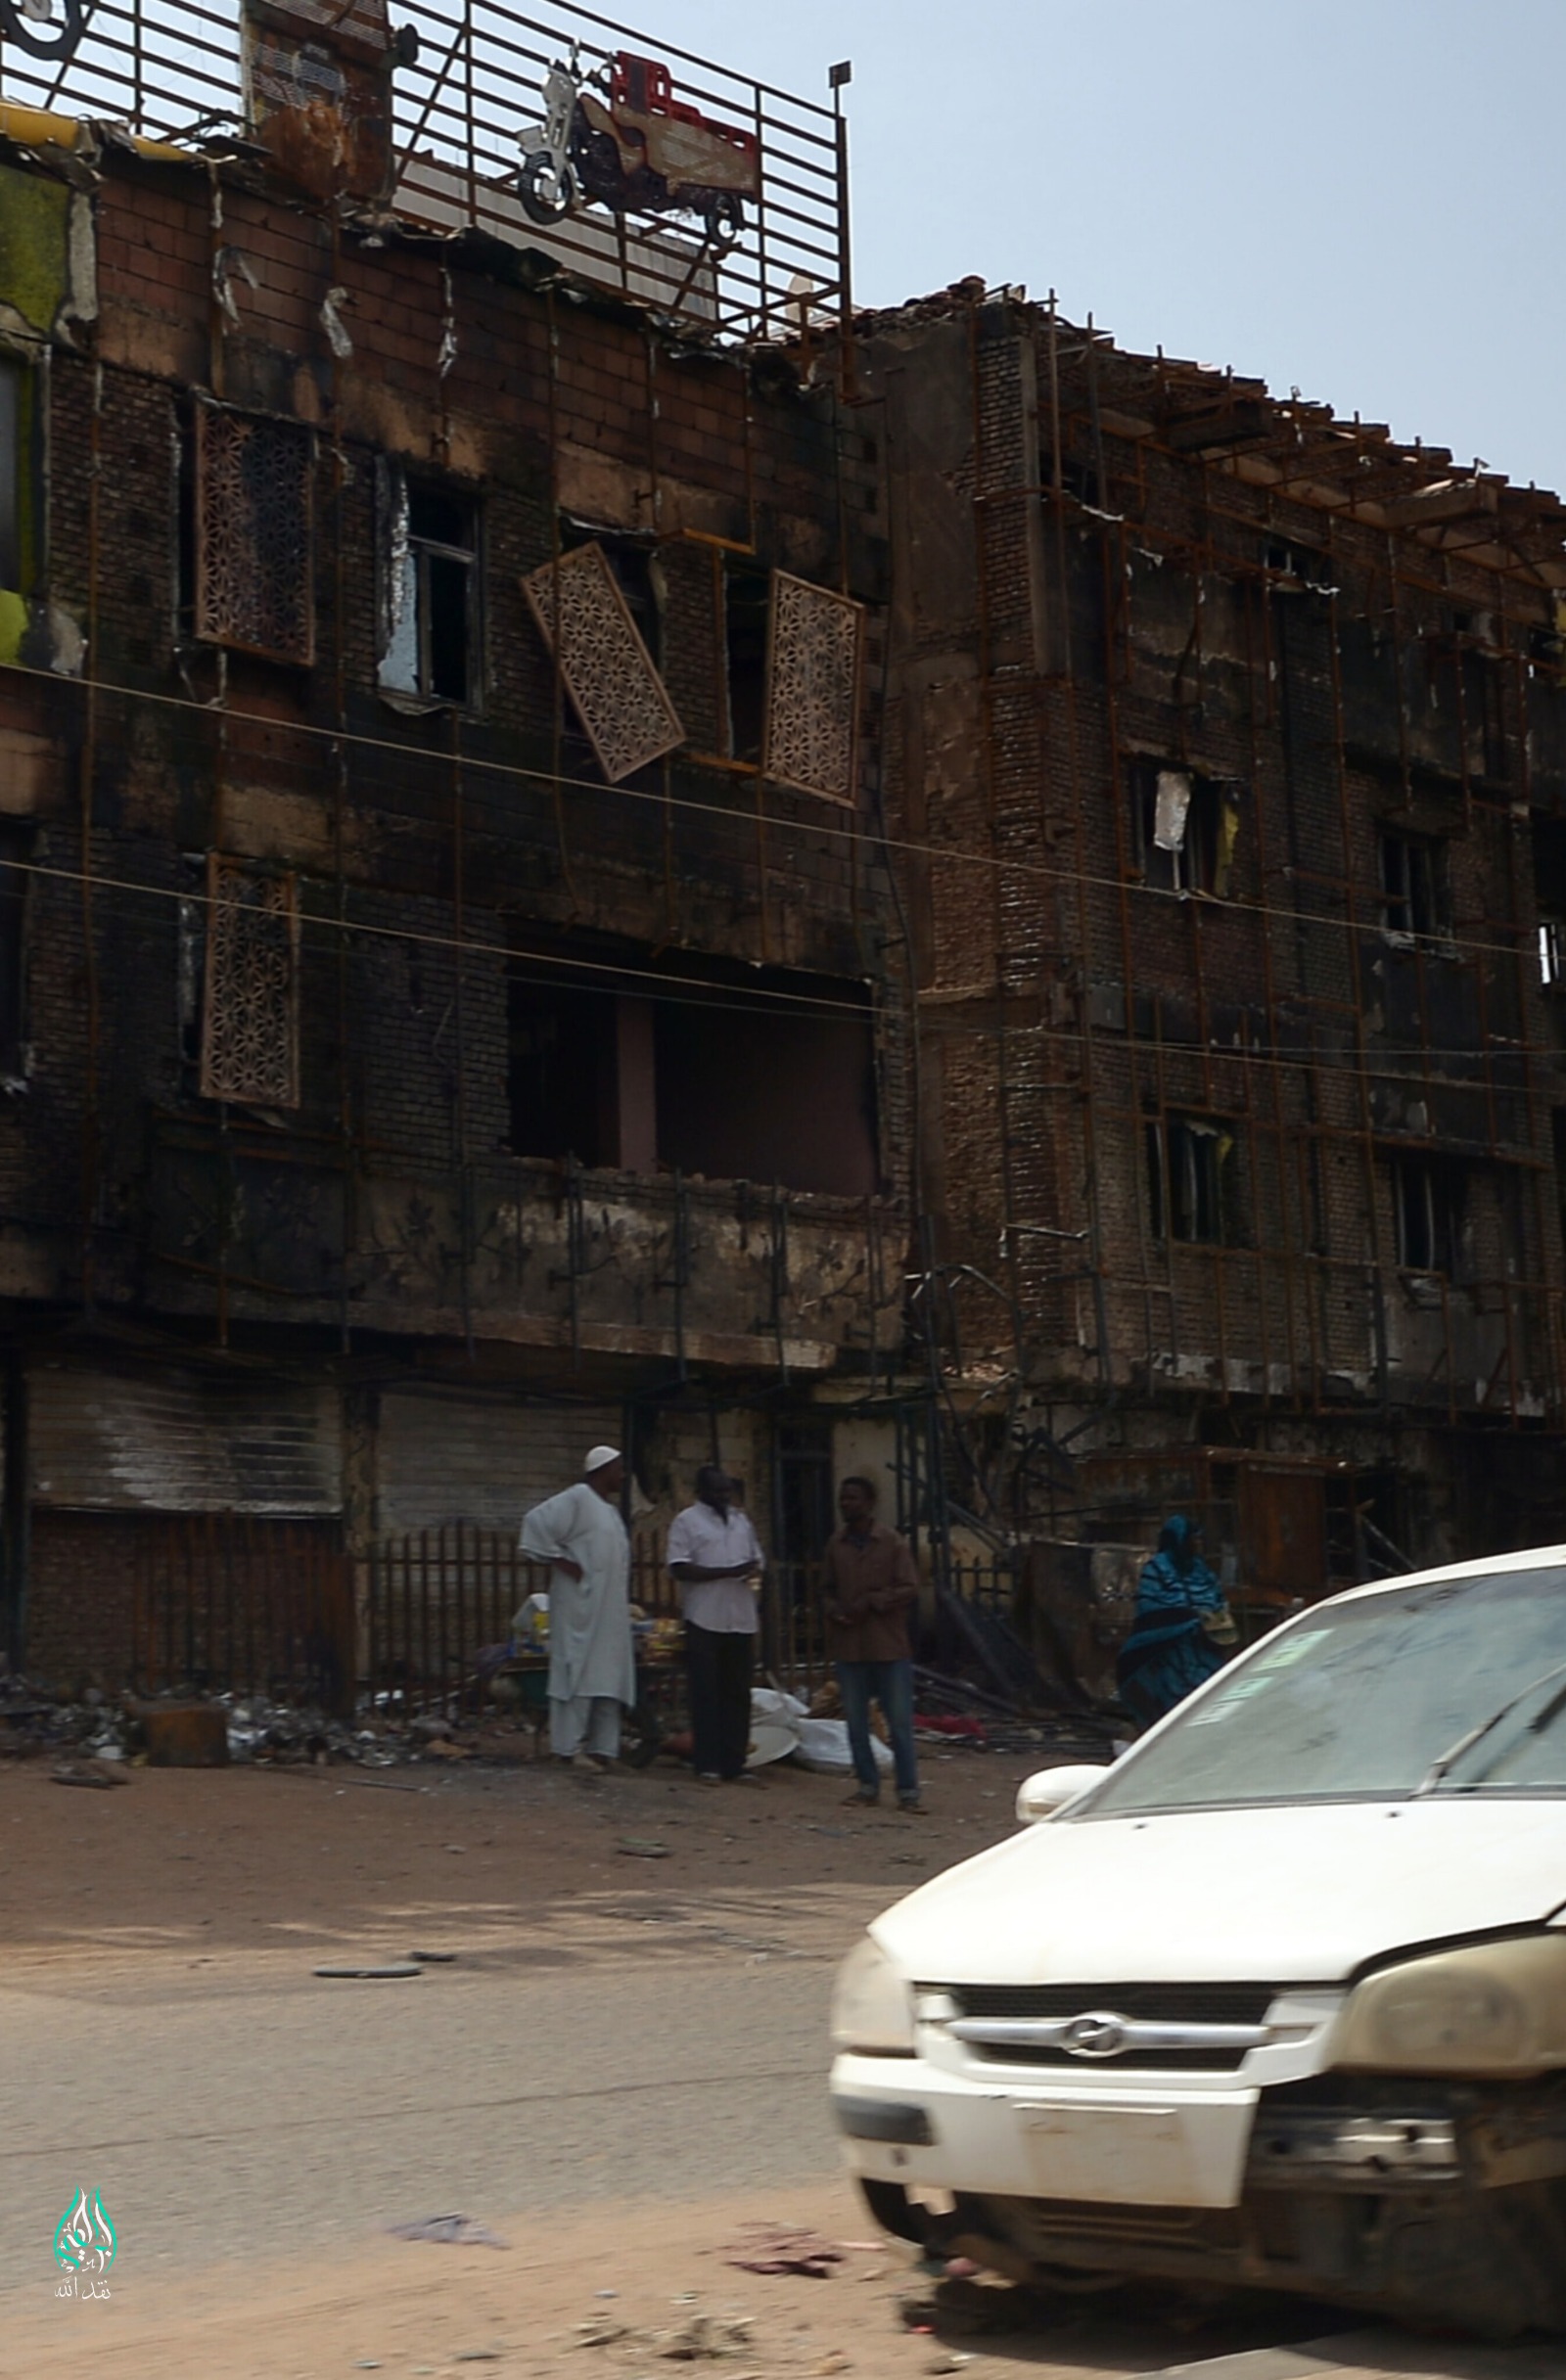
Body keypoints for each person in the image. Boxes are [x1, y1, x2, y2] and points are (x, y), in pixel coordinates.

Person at [519, 1446, 636, 1773]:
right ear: (602, 1469)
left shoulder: (608, 1510)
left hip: (608, 1610)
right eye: (619, 1468)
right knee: (578, 1674)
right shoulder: (577, 1498)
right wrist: (562, 1561)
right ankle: (568, 1749)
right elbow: (535, 1523)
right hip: (580, 1608)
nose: (623, 1475)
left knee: (607, 1676)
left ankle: (603, 1749)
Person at [820, 1476, 924, 1814]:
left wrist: (873, 1602)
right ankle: (867, 1786)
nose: (846, 1504)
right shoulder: (837, 1545)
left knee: (899, 1723)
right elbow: (827, 1590)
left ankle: (908, 1792)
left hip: (888, 1646)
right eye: (843, 1498)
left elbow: (910, 1587)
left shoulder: (892, 1543)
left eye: (853, 1498)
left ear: (869, 1503)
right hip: (850, 1646)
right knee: (855, 1723)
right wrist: (835, 1610)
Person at [667, 1464, 764, 1785]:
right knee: (705, 1693)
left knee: (737, 1694)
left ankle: (735, 1763)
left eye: (727, 1490)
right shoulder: (686, 1522)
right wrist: (725, 1572)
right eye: (717, 1491)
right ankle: (707, 1763)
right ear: (702, 1492)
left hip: (740, 1618)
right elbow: (680, 1568)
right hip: (704, 1618)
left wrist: (752, 1571)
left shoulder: (741, 1521)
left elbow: (757, 1560)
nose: (724, 1496)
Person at [1116, 1514, 1236, 1727]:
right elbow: (1149, 1607)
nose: (1198, 1544)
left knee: (1209, 1691)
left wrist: (1215, 1617)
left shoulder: (1200, 1569)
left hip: (1204, 1645)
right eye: (1194, 1539)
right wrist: (1185, 1619)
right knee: (1174, 1698)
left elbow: (1216, 1597)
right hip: (1170, 1648)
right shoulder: (1157, 1569)